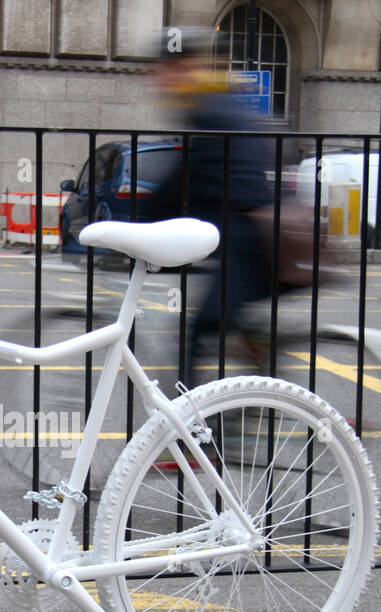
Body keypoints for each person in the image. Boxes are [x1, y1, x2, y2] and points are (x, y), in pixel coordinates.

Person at [147, 27, 274, 389]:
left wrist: (140, 224)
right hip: (245, 236)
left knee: (199, 333)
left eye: (163, 70)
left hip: (245, 243)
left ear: (183, 67)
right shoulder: (218, 101)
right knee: (224, 323)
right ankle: (257, 375)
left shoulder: (209, 109)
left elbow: (185, 177)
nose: (157, 81)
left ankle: (192, 432)